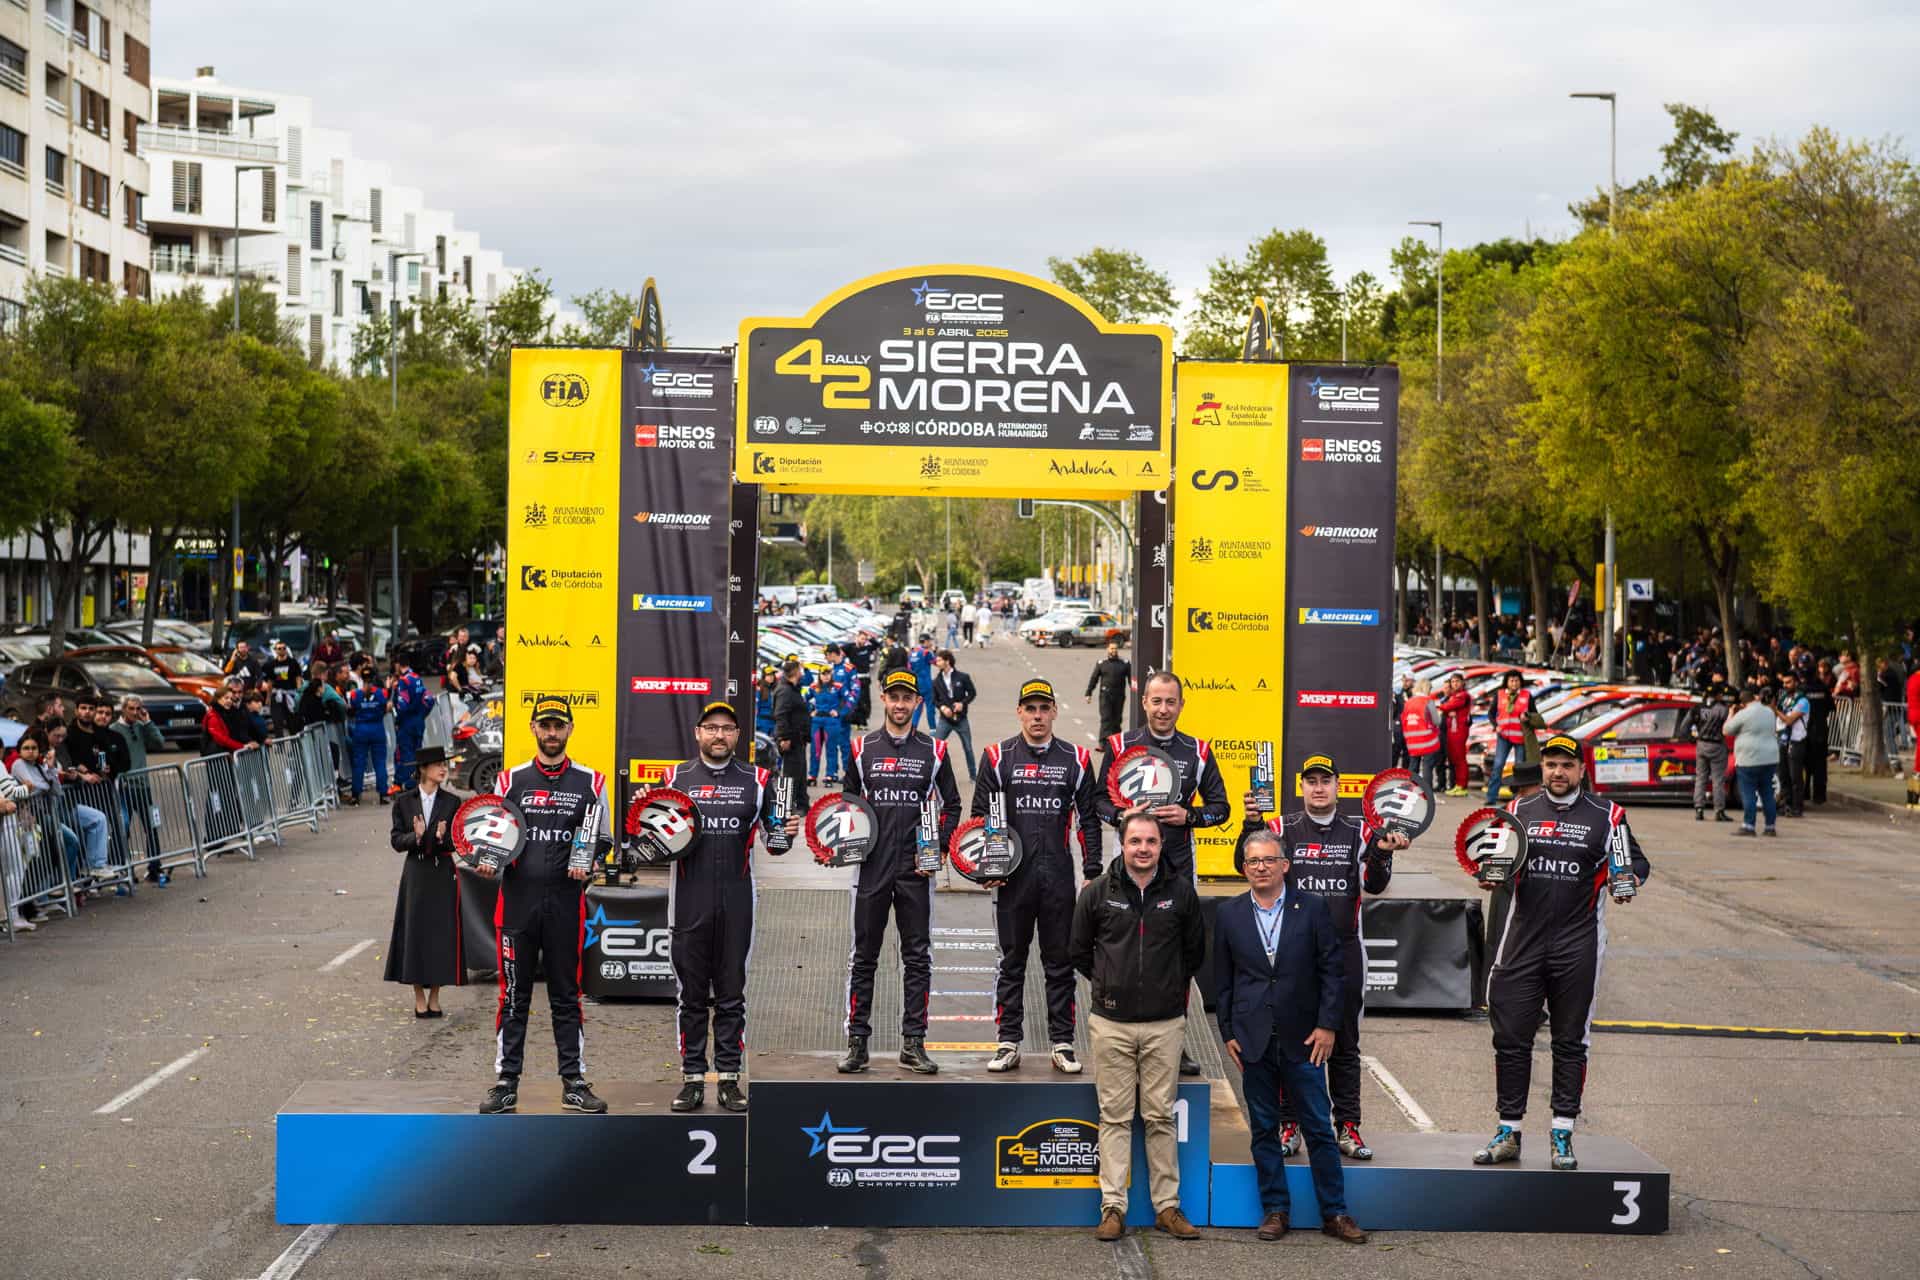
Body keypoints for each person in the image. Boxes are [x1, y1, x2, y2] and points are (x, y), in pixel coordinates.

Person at [1476, 734, 1649, 1172]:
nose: (1557, 772)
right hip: (1522, 941)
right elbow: (1493, 860)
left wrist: (1624, 879)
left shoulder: (1608, 816)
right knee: (1511, 1038)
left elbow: (1635, 864)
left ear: (1581, 770)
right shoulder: (1517, 812)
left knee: (1570, 1042)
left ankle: (1562, 1133)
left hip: (1578, 943)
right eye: (1551, 764)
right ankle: (1507, 1131)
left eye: (1566, 765)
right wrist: (1489, 873)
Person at [1233, 752, 1406, 1159]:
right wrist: (1251, 825)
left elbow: (1376, 885)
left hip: (1344, 951)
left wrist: (1383, 851)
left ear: (1337, 785)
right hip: (1292, 954)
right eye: (1311, 780)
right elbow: (1244, 862)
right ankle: (1289, 1122)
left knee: (1345, 1042)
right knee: (1291, 1042)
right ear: (1302, 787)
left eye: (1325, 780)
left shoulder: (1360, 831)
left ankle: (1348, 1127)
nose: (1318, 787)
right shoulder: (1281, 828)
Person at [1215, 828, 1369, 1245]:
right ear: (1243, 868)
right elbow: (1224, 981)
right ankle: (1275, 1210)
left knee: (1319, 1127)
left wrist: (1327, 1025)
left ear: (1285, 865)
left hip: (1305, 1037)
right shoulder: (1229, 914)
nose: (1261, 867)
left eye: (1268, 860)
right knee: (1264, 1127)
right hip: (1253, 1037)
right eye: (1253, 862)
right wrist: (1228, 1031)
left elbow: (1332, 972)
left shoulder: (1313, 908)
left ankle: (1335, 1213)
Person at [1071, 813, 1206, 1242]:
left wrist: (1163, 990)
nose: (1142, 848)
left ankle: (1167, 1207)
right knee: (1114, 1117)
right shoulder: (1096, 893)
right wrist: (1113, 985)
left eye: (1150, 841)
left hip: (1165, 1025)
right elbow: (1079, 952)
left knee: (1160, 1117)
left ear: (1161, 845)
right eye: (1134, 841)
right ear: (1122, 845)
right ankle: (1113, 1207)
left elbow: (1194, 953)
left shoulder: (1181, 894)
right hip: (1111, 1022)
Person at [476, 694, 612, 1116]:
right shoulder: (509, 780)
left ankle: (573, 1082)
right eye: (545, 725)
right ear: (533, 728)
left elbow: (603, 840)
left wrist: (590, 862)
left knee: (567, 996)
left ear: (570, 729)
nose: (552, 733)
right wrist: (486, 858)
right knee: (513, 996)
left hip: (566, 904)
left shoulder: (592, 782)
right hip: (517, 904)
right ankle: (505, 1083)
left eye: (559, 726)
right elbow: (491, 834)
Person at [1095, 671, 1229, 1076]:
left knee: (1174, 960)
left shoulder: (1198, 751)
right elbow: (1098, 801)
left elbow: (1221, 808)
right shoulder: (1120, 746)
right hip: (1127, 870)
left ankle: (1176, 1042)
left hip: (1177, 868)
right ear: (1145, 703)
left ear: (1181, 705)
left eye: (1171, 702)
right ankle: (1121, 1039)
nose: (1163, 709)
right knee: (1122, 953)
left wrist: (1191, 816)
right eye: (1156, 701)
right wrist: (1124, 815)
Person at [972, 677, 1102, 1073]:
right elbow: (980, 818)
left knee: (1060, 963)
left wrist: (1092, 871)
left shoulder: (1077, 759)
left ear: (1054, 712)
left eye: (1044, 708)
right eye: (1030, 709)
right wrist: (985, 869)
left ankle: (1062, 1042)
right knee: (1011, 961)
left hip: (1059, 878)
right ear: (1019, 713)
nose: (1038, 716)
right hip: (1013, 879)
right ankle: (1008, 1041)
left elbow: (1089, 821)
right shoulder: (997, 756)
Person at [666, 700, 790, 1114]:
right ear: (697, 732)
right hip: (688, 900)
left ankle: (730, 1078)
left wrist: (784, 832)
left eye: (728, 728)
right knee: (692, 996)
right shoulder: (674, 778)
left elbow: (776, 842)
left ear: (738, 736)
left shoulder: (758, 780)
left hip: (737, 900)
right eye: (712, 727)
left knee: (733, 995)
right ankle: (692, 1079)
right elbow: (650, 843)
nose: (719, 735)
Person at [838, 671, 962, 1076]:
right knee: (863, 958)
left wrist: (939, 846)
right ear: (883, 699)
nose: (900, 704)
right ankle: (857, 1043)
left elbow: (953, 806)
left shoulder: (936, 750)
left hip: (916, 869)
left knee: (917, 959)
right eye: (894, 697)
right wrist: (843, 844)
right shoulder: (861, 749)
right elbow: (847, 804)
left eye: (907, 697)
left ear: (918, 703)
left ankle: (913, 1043)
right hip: (871, 868)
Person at [385, 745, 466, 1017]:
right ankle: (419, 996)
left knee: (441, 934)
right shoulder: (404, 802)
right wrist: (416, 837)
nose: (443, 769)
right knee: (415, 934)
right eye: (437, 764)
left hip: (443, 872)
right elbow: (396, 840)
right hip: (416, 874)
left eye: (444, 764)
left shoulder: (452, 802)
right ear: (422, 769)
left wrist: (443, 838)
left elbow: (459, 841)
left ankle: (435, 996)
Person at [110, 696, 169, 884]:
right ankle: (123, 869)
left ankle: (154, 867)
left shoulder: (140, 727)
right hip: (125, 786)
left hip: (143, 785)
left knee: (152, 825)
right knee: (124, 828)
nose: (135, 712)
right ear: (123, 709)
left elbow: (159, 742)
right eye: (131, 709)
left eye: (138, 709)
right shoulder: (114, 730)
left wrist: (148, 722)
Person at [928, 649, 978, 781]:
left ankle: (974, 776)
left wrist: (963, 703)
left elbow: (972, 693)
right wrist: (943, 708)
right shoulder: (936, 681)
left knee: (968, 747)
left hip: (961, 719)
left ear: (947, 661)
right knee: (936, 747)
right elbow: (934, 699)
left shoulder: (963, 677)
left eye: (939, 660)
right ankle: (931, 775)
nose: (936, 662)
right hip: (945, 719)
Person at [1483, 671, 1532, 802]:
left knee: (1519, 767)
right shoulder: (1499, 695)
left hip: (1520, 737)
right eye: (1511, 681)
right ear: (1507, 682)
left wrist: (1527, 717)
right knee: (1498, 765)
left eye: (1516, 681)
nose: (1514, 683)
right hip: (1503, 736)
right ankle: (1491, 797)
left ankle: (1518, 797)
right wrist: (1496, 726)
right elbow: (1491, 713)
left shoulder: (1527, 695)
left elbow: (1534, 714)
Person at [390, 655, 436, 792]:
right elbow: (429, 699)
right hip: (418, 722)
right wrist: (422, 715)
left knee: (406, 755)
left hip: (407, 723)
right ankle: (416, 782)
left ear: (398, 665)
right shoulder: (417, 677)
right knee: (417, 753)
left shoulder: (403, 681)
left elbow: (402, 706)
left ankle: (408, 785)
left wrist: (398, 721)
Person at [807, 648, 851, 786]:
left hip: (832, 722)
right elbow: (803, 700)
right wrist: (810, 711)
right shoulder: (814, 687)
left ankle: (830, 775)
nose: (825, 676)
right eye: (823, 674)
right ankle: (812, 775)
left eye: (828, 674)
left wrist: (839, 712)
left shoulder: (838, 686)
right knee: (815, 750)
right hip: (817, 721)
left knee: (831, 750)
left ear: (831, 674)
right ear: (819, 675)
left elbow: (849, 700)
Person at [346, 674, 391, 806]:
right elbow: (385, 708)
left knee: (359, 763)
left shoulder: (356, 695)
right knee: (380, 763)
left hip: (361, 729)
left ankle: (355, 795)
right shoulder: (381, 693)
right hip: (377, 729)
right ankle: (383, 794)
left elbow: (351, 709)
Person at [772, 660, 811, 812]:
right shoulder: (784, 691)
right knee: (789, 775)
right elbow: (780, 715)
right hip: (790, 739)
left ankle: (802, 805)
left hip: (798, 738)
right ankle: (784, 807)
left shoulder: (793, 689)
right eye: (800, 670)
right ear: (794, 672)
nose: (802, 672)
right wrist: (784, 738)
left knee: (800, 774)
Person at [1692, 686, 1731, 822]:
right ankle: (1719, 810)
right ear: (1718, 695)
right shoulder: (1722, 709)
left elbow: (1685, 725)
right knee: (1718, 779)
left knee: (1701, 778)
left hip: (1701, 744)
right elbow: (1729, 725)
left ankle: (1699, 809)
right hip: (1717, 745)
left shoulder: (1698, 707)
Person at [1085, 640, 1131, 750]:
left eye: (1115, 648)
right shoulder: (1102, 663)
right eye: (1111, 648)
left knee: (1117, 720)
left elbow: (1131, 680)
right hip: (1105, 696)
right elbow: (1094, 679)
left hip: (1119, 696)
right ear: (1108, 649)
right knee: (1106, 718)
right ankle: (1103, 743)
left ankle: (1117, 744)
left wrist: (1136, 694)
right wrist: (1088, 693)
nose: (1113, 650)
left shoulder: (1124, 664)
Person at [1400, 678, 1442, 793]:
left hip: (1412, 740)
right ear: (1427, 688)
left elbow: (1403, 719)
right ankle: (1427, 793)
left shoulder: (1409, 702)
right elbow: (1436, 720)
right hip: (1427, 739)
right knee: (1427, 767)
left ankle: (1408, 791)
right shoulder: (1428, 701)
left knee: (1413, 766)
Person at [1436, 673, 1473, 797]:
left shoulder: (1463, 695)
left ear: (1463, 682)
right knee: (1454, 758)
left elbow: (1448, 706)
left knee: (1460, 758)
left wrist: (1442, 707)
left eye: (1457, 681)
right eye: (1452, 681)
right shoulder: (1454, 695)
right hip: (1452, 730)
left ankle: (1462, 786)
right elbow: (1448, 708)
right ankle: (1457, 785)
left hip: (1459, 730)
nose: (1455, 684)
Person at [265, 640, 302, 734]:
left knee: (292, 723)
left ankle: (295, 744)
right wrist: (268, 697)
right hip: (277, 695)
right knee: (277, 722)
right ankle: (280, 745)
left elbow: (298, 678)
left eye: (284, 648)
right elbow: (270, 682)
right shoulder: (272, 664)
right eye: (279, 648)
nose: (282, 650)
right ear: (275, 650)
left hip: (290, 694)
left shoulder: (293, 662)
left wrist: (299, 693)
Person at [908, 634, 936, 731]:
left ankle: (913, 728)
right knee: (930, 707)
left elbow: (909, 667)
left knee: (917, 708)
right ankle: (933, 729)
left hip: (915, 683)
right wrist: (934, 651)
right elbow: (935, 662)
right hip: (926, 684)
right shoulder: (926, 652)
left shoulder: (912, 652)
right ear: (926, 641)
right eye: (930, 641)